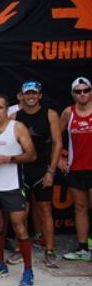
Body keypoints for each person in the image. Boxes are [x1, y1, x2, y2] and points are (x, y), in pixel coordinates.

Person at [0, 94, 37, 286]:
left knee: (19, 226)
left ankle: (28, 270)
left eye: (0, 108)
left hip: (11, 185)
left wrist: (9, 159)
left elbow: (32, 155)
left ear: (6, 109)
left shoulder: (17, 127)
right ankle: (0, 264)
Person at [15, 81, 61, 267]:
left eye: (34, 93)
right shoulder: (15, 116)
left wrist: (51, 170)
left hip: (42, 168)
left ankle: (49, 250)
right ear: (22, 96)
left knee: (45, 209)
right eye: (28, 93)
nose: (31, 96)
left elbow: (58, 143)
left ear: (40, 95)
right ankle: (20, 249)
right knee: (21, 211)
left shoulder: (50, 115)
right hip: (22, 169)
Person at [60, 76, 92, 261]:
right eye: (78, 91)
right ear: (73, 94)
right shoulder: (68, 112)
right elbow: (56, 137)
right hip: (76, 167)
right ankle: (83, 248)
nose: (82, 94)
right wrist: (58, 161)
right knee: (80, 207)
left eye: (85, 90)